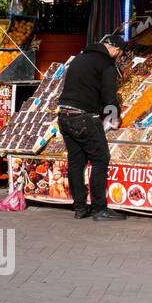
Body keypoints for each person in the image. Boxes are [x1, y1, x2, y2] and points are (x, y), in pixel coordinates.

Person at [57, 33, 126, 220]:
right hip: (84, 117)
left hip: (63, 115)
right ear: (115, 49)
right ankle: (99, 209)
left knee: (76, 161)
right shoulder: (106, 65)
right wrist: (114, 117)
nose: (119, 56)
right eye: (120, 53)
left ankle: (79, 208)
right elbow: (109, 96)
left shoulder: (80, 57)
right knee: (100, 159)